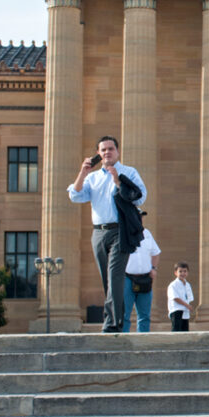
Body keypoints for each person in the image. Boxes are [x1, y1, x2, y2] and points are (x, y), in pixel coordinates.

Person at [69, 136, 146, 333]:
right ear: (98, 154)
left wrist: (118, 182)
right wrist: (82, 172)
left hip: (120, 231)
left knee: (115, 276)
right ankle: (117, 320)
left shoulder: (128, 172)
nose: (107, 153)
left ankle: (111, 324)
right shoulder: (92, 177)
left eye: (110, 149)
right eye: (103, 150)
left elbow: (141, 197)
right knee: (108, 279)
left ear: (117, 152)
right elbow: (75, 196)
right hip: (98, 233)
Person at [121, 227, 161, 332]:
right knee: (124, 313)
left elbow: (155, 252)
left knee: (145, 314)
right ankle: (124, 340)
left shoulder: (146, 233)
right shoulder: (122, 231)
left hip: (145, 278)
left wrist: (154, 268)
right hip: (127, 277)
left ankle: (143, 339)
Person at [167, 262, 194, 332]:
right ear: (175, 273)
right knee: (176, 330)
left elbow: (189, 297)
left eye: (185, 271)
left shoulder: (187, 284)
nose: (183, 273)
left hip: (185, 310)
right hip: (176, 310)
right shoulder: (173, 285)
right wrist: (187, 305)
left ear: (187, 272)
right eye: (180, 271)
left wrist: (188, 306)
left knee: (185, 330)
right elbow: (175, 298)